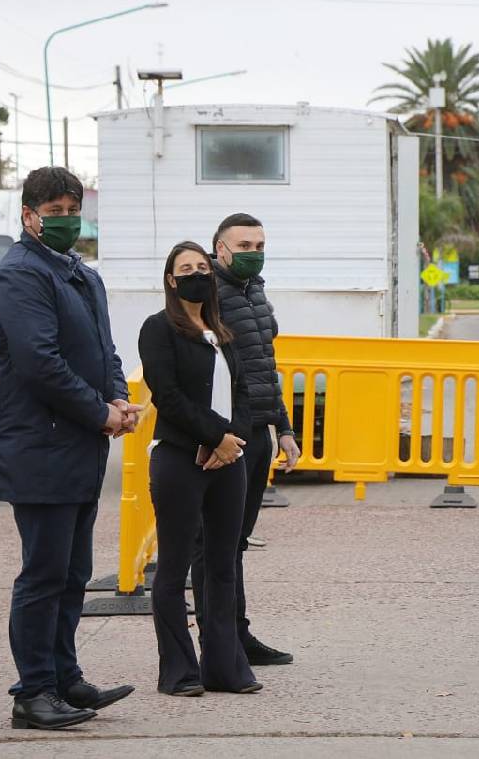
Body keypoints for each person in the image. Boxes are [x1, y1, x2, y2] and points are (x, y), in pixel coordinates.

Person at [0, 167, 141, 730]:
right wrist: (99, 412)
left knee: (75, 570)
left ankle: (66, 677)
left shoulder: (81, 274)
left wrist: (118, 398)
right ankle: (34, 692)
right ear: (28, 216)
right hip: (38, 446)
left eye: (74, 209)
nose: (67, 220)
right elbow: (39, 363)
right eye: (55, 211)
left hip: (78, 444)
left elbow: (104, 348)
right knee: (44, 573)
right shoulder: (20, 276)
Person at [139, 241, 261, 696]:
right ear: (172, 281)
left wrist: (234, 441)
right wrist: (215, 437)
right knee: (173, 568)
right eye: (185, 269)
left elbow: (244, 393)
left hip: (229, 461)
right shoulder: (158, 328)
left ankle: (225, 668)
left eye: (202, 267)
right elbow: (167, 395)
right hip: (179, 460)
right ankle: (179, 671)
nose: (196, 274)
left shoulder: (220, 330)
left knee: (223, 565)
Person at [190, 213, 299, 667]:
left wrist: (285, 428)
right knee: (212, 543)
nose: (254, 252)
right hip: (223, 434)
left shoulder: (254, 290)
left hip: (257, 431)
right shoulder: (206, 293)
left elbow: (263, 368)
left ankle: (238, 634)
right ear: (220, 249)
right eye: (245, 245)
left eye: (260, 245)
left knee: (235, 542)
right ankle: (218, 643)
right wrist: (214, 434)